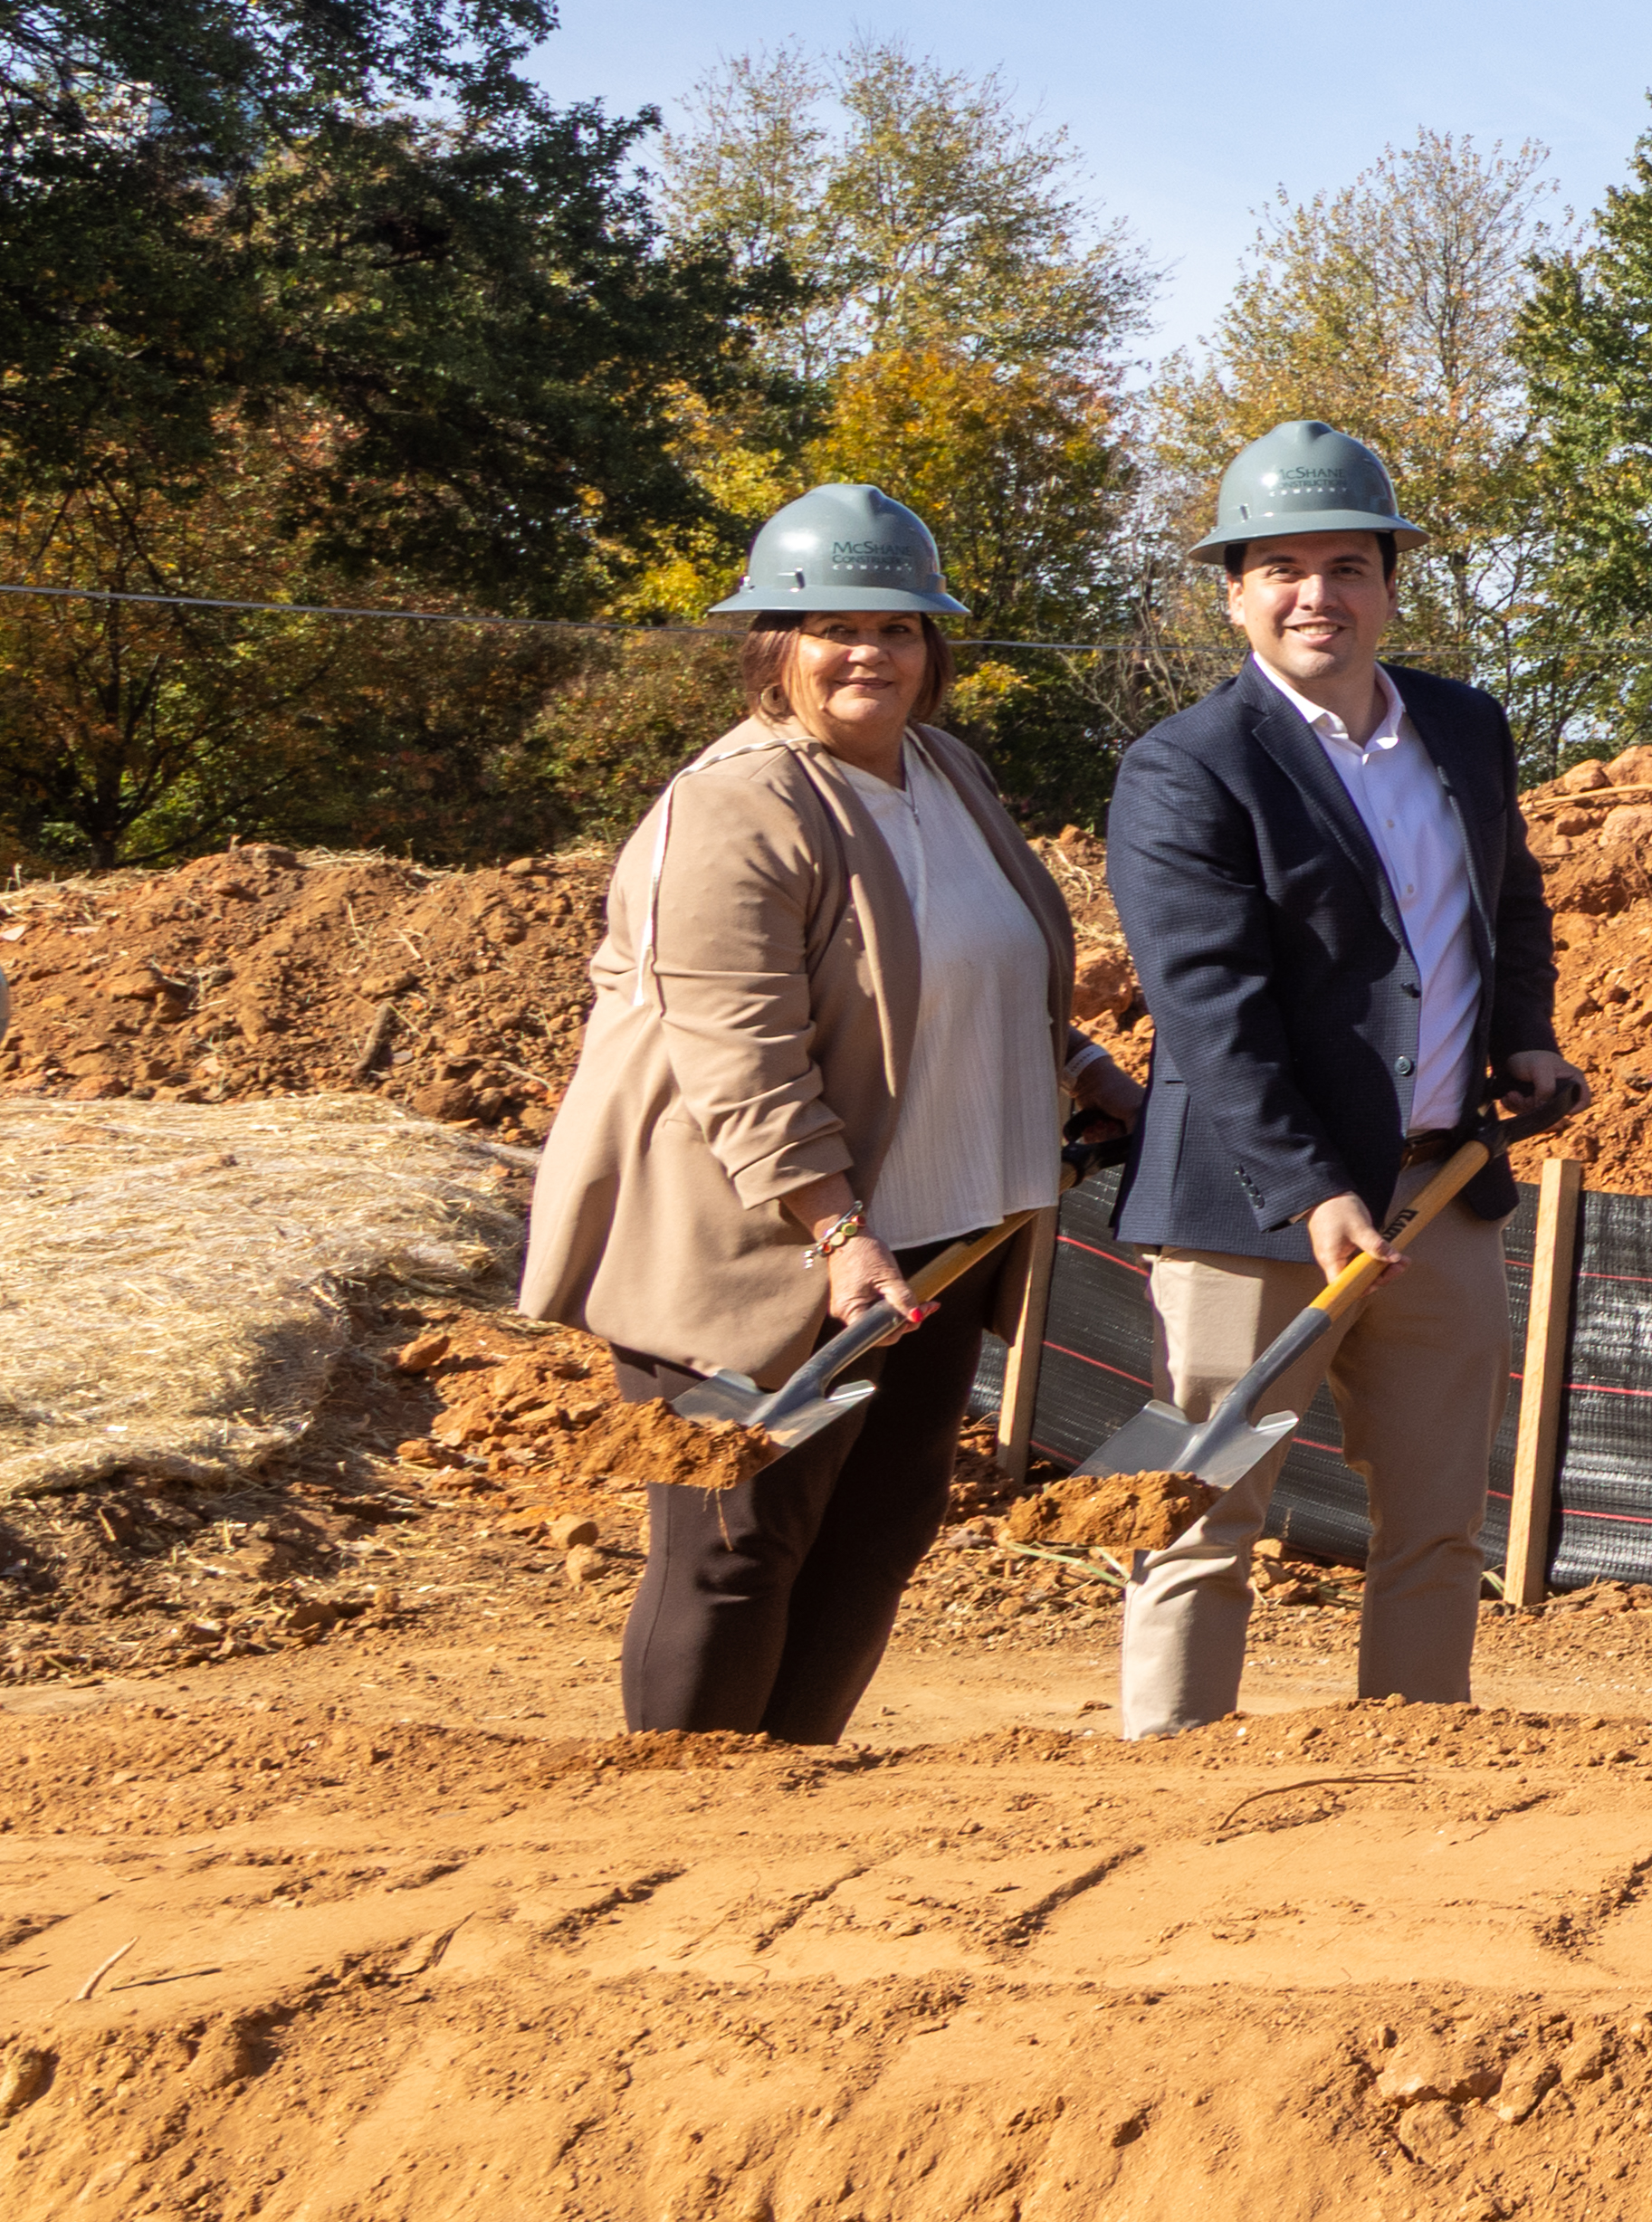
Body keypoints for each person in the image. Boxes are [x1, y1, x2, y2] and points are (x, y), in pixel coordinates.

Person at [522, 484, 1137, 1742]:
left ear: (935, 646)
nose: (871, 652)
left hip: (939, 1232)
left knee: (875, 1529)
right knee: (740, 1539)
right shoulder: (738, 802)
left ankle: (784, 1804)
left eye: (900, 627)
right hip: (770, 1241)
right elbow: (738, 1047)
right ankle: (675, 1814)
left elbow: (966, 969)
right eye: (833, 626)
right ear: (775, 645)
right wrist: (834, 1227)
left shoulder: (945, 770)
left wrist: (1085, 1070)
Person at [1103, 425, 1587, 1738]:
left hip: (1438, 1192)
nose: (1317, 593)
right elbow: (1211, 1008)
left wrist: (1524, 1033)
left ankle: (1408, 1777)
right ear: (1234, 590)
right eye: (1282, 566)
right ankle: (1168, 1788)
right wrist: (1310, 1184)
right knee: (1204, 1509)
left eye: (1346, 564)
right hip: (1253, 1209)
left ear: (1388, 581)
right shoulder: (1188, 765)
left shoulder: (1465, 726)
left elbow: (1511, 899)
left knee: (1435, 1521)